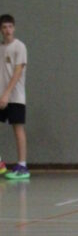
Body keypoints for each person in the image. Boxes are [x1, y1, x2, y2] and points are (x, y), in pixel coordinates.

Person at [0, 14, 30, 180]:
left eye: (10, 27)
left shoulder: (20, 47)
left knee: (18, 128)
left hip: (15, 96)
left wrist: (7, 93)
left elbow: (17, 72)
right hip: (1, 95)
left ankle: (22, 166)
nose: (8, 30)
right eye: (4, 27)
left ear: (14, 28)